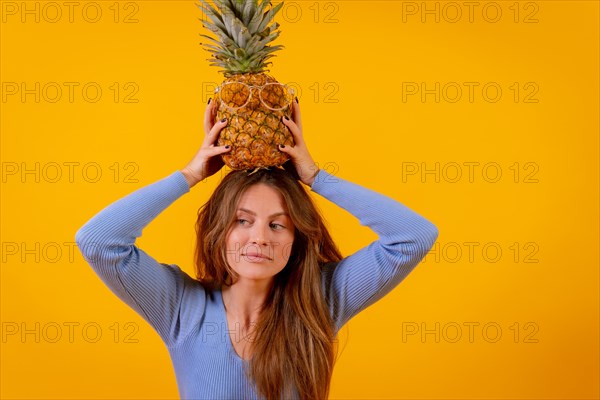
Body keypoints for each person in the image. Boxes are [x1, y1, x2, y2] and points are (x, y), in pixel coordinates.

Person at [75, 98, 439, 400]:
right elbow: (99, 242)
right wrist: (190, 174)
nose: (260, 238)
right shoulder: (182, 308)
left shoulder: (321, 301)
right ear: (220, 231)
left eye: (277, 224)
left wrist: (316, 177)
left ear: (295, 240)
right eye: (243, 221)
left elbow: (413, 237)